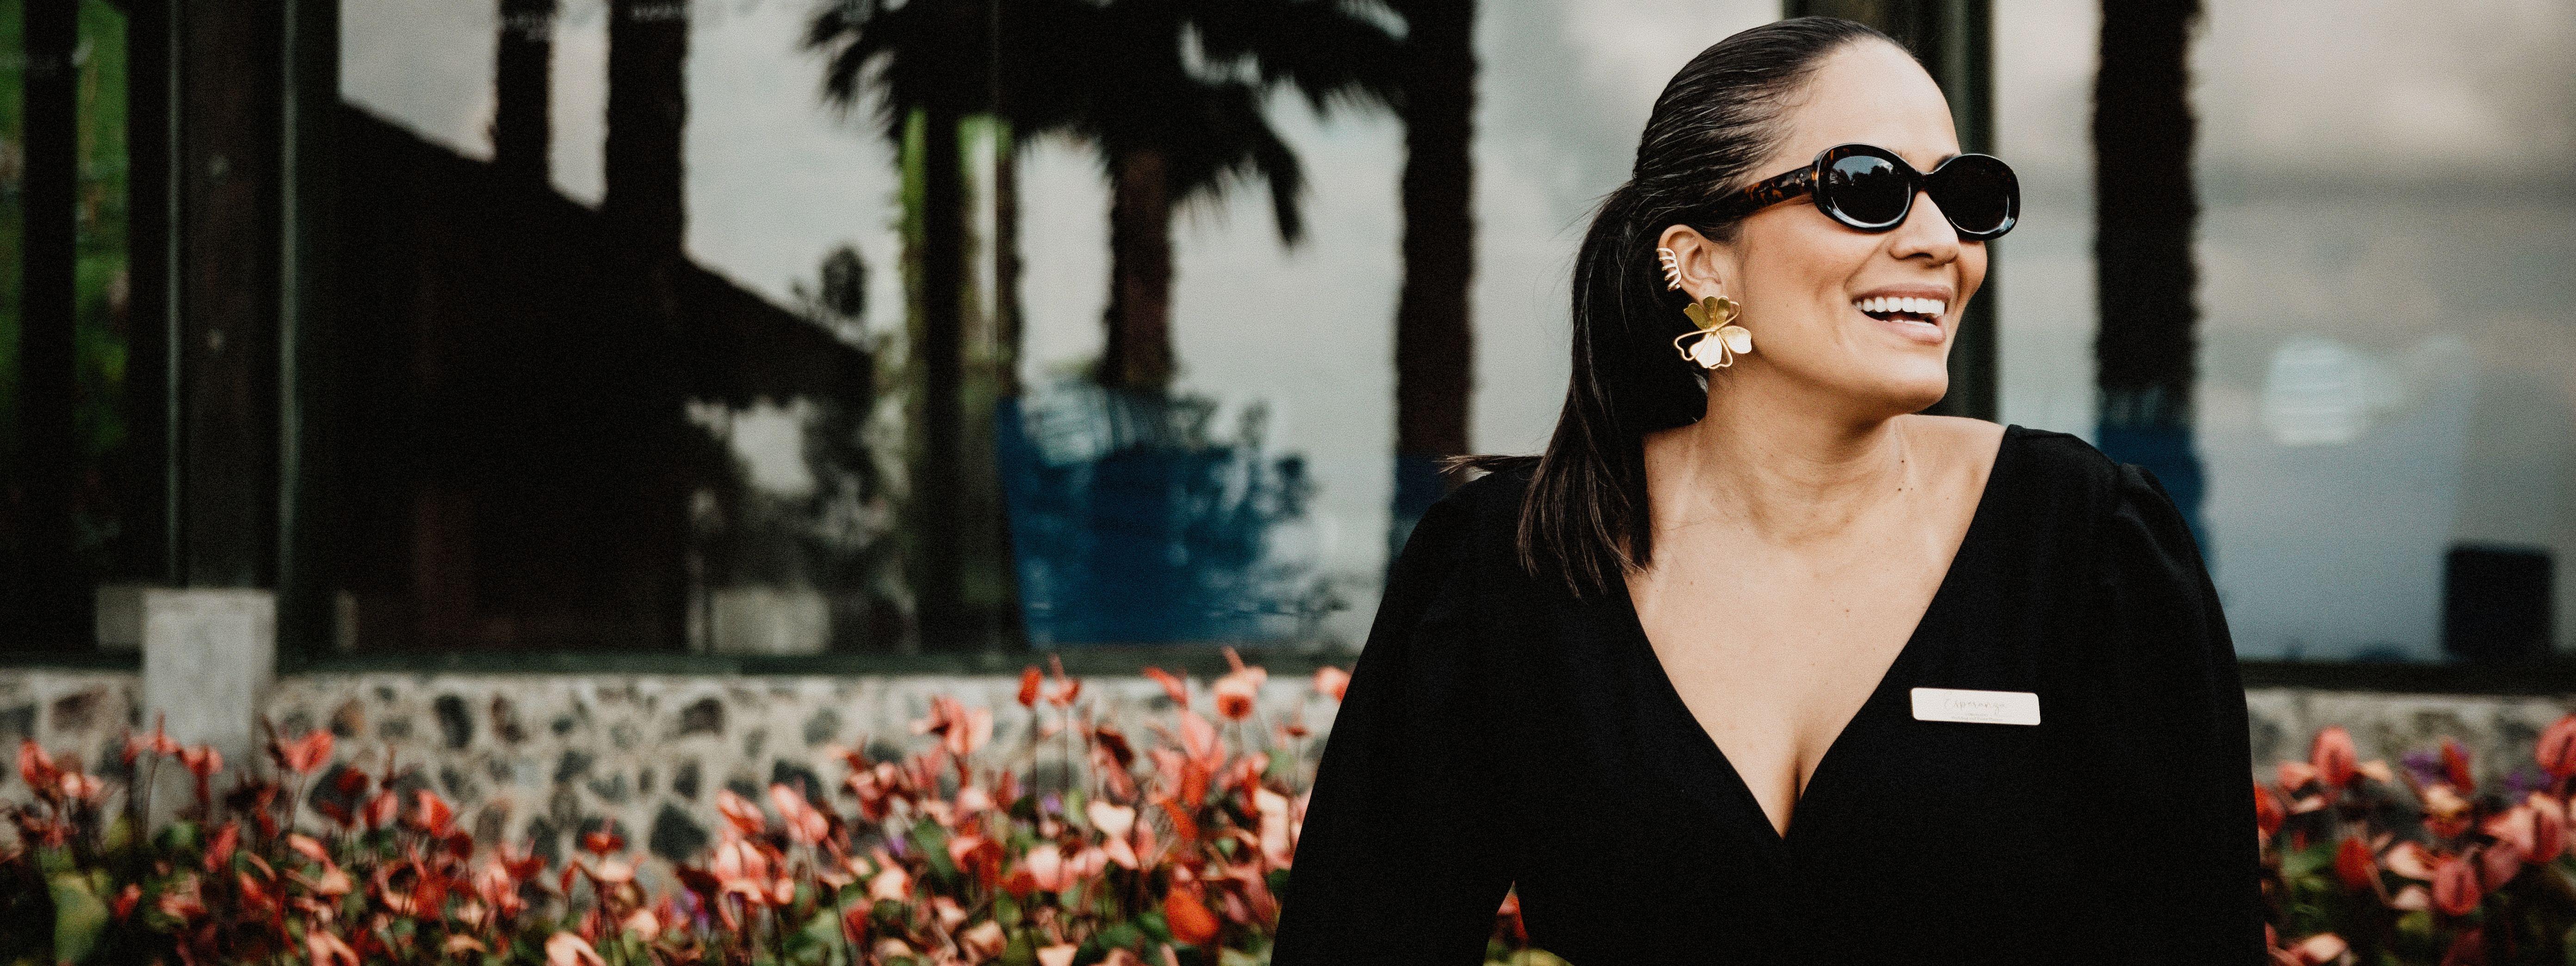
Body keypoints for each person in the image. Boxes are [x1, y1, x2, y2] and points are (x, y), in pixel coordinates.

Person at [1268, 16, 2264, 966]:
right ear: (1701, 263)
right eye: (1868, 186)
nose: (1940, 241)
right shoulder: (1513, 561)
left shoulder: (2089, 541)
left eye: (1964, 195)